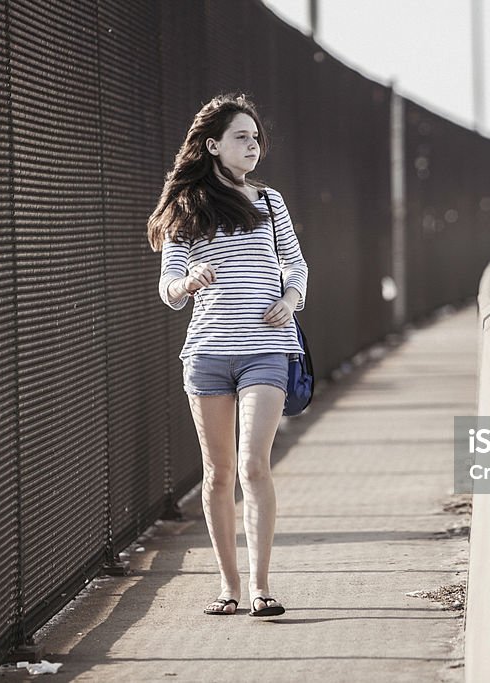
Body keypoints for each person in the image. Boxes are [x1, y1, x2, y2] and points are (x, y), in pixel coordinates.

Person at [147, 94, 308, 617]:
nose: (253, 145)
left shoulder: (270, 201)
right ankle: (228, 587)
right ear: (213, 145)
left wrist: (289, 298)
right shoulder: (186, 207)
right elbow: (168, 284)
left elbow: (296, 266)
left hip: (266, 348)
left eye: (256, 137)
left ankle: (262, 587)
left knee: (252, 465)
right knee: (216, 474)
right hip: (208, 353)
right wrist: (187, 281)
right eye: (242, 137)